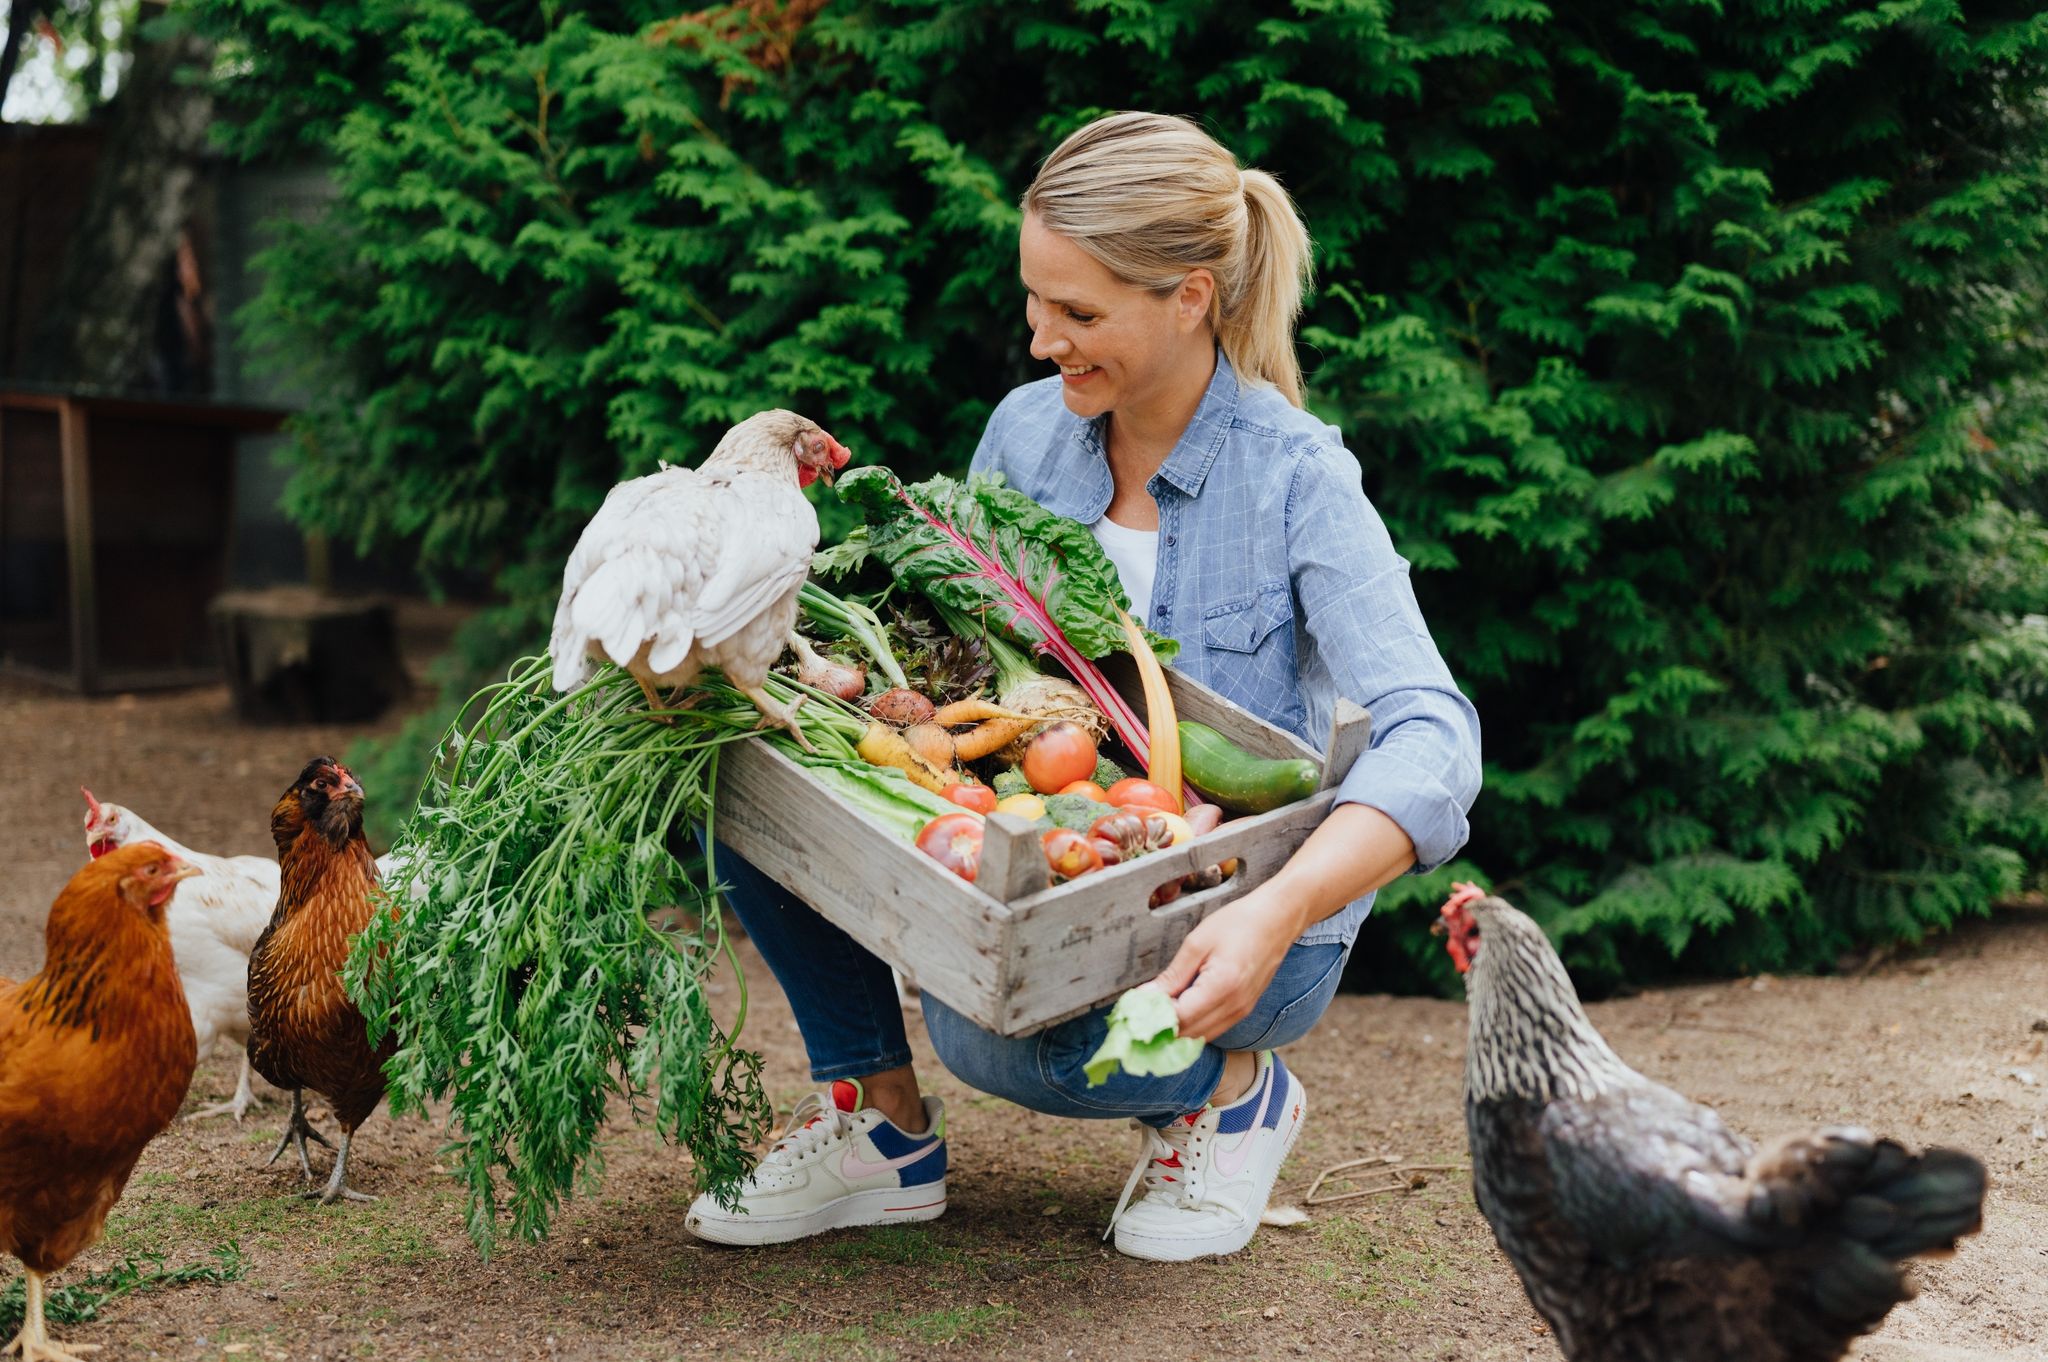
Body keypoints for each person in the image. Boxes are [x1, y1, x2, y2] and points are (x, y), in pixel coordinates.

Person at [686, 111, 1481, 1262]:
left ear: (1190, 298)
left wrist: (1273, 910)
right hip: (1049, 851)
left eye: (1076, 313)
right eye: (1033, 301)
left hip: (1234, 916)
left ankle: (1234, 1093)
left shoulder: (1296, 479)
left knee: (1006, 1045)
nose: (1039, 338)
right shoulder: (1027, 434)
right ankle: (879, 1126)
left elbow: (1434, 733)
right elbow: (951, 641)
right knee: (740, 765)